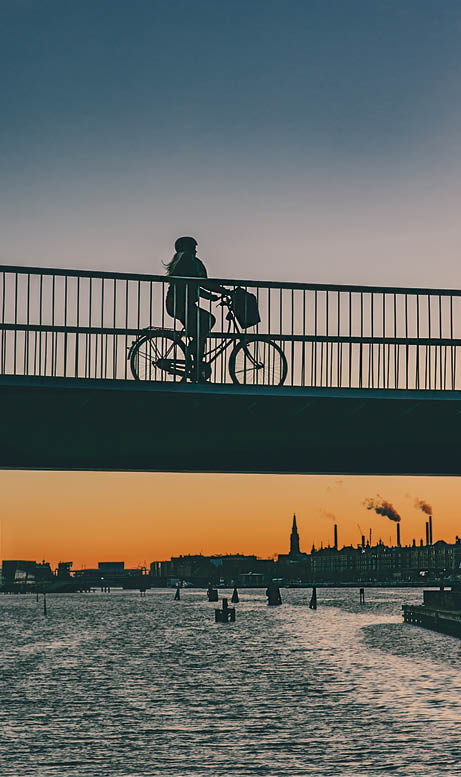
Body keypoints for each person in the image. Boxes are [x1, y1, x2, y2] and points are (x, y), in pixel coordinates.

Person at [164, 236, 227, 377]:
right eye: (194, 247)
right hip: (181, 304)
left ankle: (196, 365)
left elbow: (194, 285)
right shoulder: (188, 260)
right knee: (208, 319)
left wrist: (210, 296)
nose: (196, 250)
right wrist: (224, 291)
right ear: (187, 247)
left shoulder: (180, 260)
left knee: (199, 329)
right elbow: (202, 282)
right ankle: (194, 354)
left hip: (176, 304)